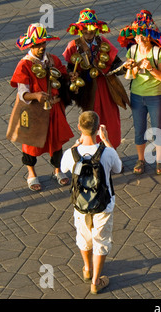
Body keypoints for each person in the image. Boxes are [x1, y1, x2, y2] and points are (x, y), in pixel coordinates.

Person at [60, 111, 122, 294]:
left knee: (83, 237)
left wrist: (75, 145)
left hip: (80, 205)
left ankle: (87, 269)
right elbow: (118, 168)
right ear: (98, 129)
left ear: (79, 127)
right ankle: (96, 281)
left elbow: (64, 169)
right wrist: (107, 141)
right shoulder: (107, 152)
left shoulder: (71, 154)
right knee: (101, 240)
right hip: (104, 204)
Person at [9, 23, 74, 191]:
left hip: (54, 108)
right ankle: (31, 173)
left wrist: (70, 78)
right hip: (33, 111)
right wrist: (36, 95)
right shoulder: (24, 65)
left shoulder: (53, 59)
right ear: (31, 45)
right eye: (37, 45)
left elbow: (62, 76)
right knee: (30, 144)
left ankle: (58, 170)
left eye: (43, 44)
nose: (40, 48)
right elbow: (22, 93)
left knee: (56, 141)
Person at [63, 8, 128, 149]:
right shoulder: (74, 46)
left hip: (105, 87)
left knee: (111, 120)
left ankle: (111, 152)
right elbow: (69, 68)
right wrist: (71, 75)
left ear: (96, 30)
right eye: (85, 30)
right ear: (80, 30)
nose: (88, 33)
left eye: (91, 30)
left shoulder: (103, 42)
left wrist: (125, 66)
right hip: (87, 90)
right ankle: (93, 153)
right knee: (90, 122)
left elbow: (115, 64)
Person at [118, 10, 161, 175]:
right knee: (139, 130)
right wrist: (129, 66)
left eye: (143, 36)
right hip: (137, 96)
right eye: (137, 36)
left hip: (155, 96)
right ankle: (141, 159)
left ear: (150, 36)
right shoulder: (132, 51)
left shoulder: (157, 53)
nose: (139, 39)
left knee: (157, 129)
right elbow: (129, 74)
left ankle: (160, 160)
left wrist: (151, 69)